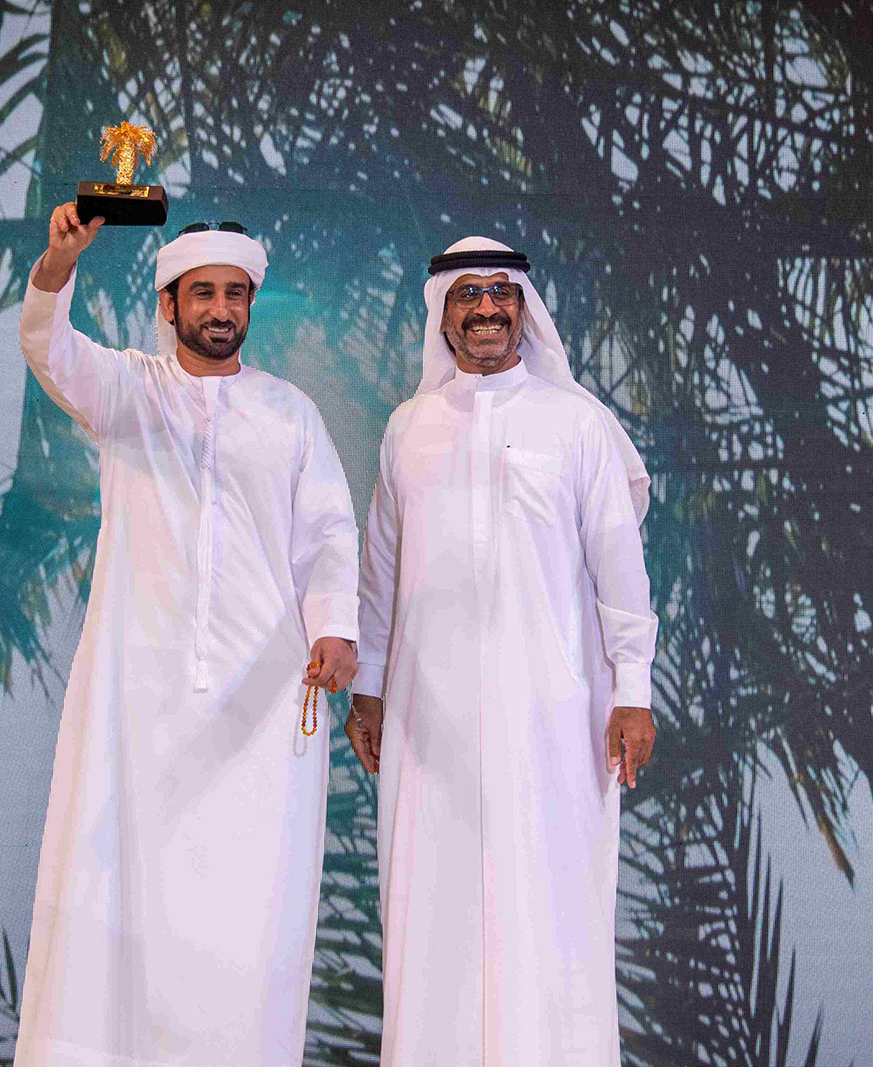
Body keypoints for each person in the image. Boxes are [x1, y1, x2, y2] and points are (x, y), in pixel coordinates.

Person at [13, 206, 360, 1067]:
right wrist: (58, 263)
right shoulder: (127, 390)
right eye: (202, 293)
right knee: (122, 903)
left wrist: (335, 627)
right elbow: (49, 347)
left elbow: (327, 534)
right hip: (137, 698)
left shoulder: (290, 414)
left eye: (235, 294)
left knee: (247, 916)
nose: (220, 309)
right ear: (169, 305)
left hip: (262, 707)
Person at [347, 236, 659, 1065]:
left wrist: (633, 690)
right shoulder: (407, 429)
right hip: (430, 719)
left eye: (501, 292)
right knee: (432, 909)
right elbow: (380, 569)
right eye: (468, 294)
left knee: (552, 903)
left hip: (552, 715)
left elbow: (621, 568)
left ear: (523, 307)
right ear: (443, 314)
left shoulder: (577, 423)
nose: (487, 307)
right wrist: (369, 686)